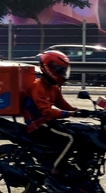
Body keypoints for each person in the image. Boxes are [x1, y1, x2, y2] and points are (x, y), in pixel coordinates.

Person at [23, 50, 89, 179]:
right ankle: (56, 170)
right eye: (60, 70)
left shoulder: (53, 86)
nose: (63, 73)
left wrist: (79, 111)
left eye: (64, 70)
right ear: (49, 68)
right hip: (38, 124)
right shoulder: (38, 87)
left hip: (47, 121)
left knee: (83, 132)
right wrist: (69, 113)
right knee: (71, 138)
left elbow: (62, 103)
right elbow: (46, 112)